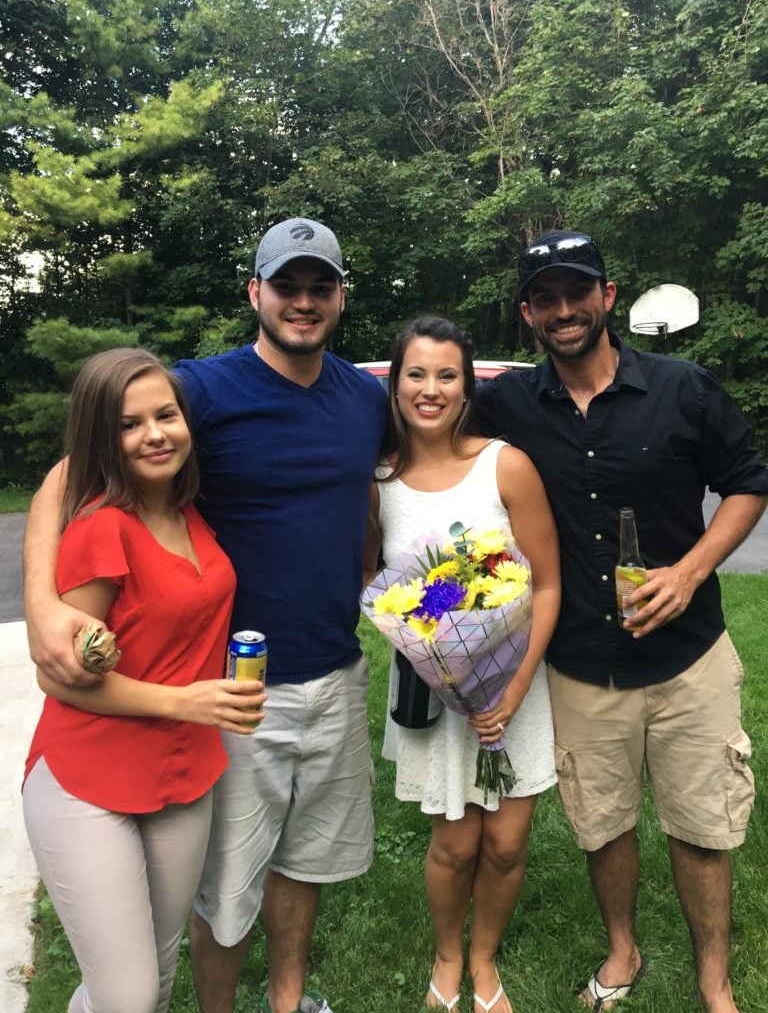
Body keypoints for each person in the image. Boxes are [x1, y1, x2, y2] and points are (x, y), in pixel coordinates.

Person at [23, 218, 388, 1013]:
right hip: (231, 688)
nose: (302, 301)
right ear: (255, 292)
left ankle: (287, 1001)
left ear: (339, 297)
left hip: (336, 669)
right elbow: (72, 466)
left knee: (304, 864)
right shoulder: (200, 390)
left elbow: (383, 482)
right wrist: (41, 602)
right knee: (226, 887)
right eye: (285, 285)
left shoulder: (365, 396)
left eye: (318, 286)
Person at [474, 230, 768, 1013]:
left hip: (688, 657)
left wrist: (692, 569)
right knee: (602, 824)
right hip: (581, 660)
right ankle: (624, 949)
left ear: (608, 297)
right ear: (528, 314)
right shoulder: (505, 405)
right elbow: (418, 424)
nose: (564, 310)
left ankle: (715, 981)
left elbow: (746, 483)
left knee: (702, 825)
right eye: (546, 299)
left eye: (579, 292)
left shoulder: (685, 388)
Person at [22, 348, 266, 1013]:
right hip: (87, 780)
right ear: (105, 437)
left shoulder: (190, 515)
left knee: (149, 982)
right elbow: (64, 679)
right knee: (127, 997)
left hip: (184, 775)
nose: (155, 433)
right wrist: (187, 701)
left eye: (165, 415)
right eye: (130, 424)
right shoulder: (102, 528)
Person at [364, 317, 561, 1013]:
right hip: (434, 691)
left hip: (515, 687)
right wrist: (435, 656)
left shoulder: (505, 463)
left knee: (506, 843)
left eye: (447, 374)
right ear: (395, 384)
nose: (431, 389)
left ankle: (484, 960)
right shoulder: (379, 482)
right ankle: (448, 955)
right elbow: (375, 588)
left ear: (467, 383)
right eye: (415, 374)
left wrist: (509, 687)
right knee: (453, 842)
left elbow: (544, 583)